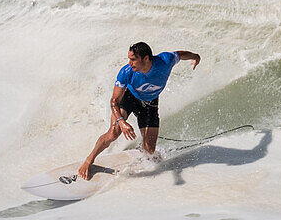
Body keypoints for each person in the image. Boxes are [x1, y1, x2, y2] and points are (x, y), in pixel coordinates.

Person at [77, 42, 201, 180]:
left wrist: (196, 57)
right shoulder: (126, 72)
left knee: (150, 150)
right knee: (114, 132)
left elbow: (180, 54)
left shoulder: (165, 61)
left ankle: (142, 147)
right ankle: (89, 160)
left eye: (133, 59)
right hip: (129, 98)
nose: (129, 63)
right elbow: (114, 101)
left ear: (146, 59)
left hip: (150, 103)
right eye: (129, 59)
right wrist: (122, 122)